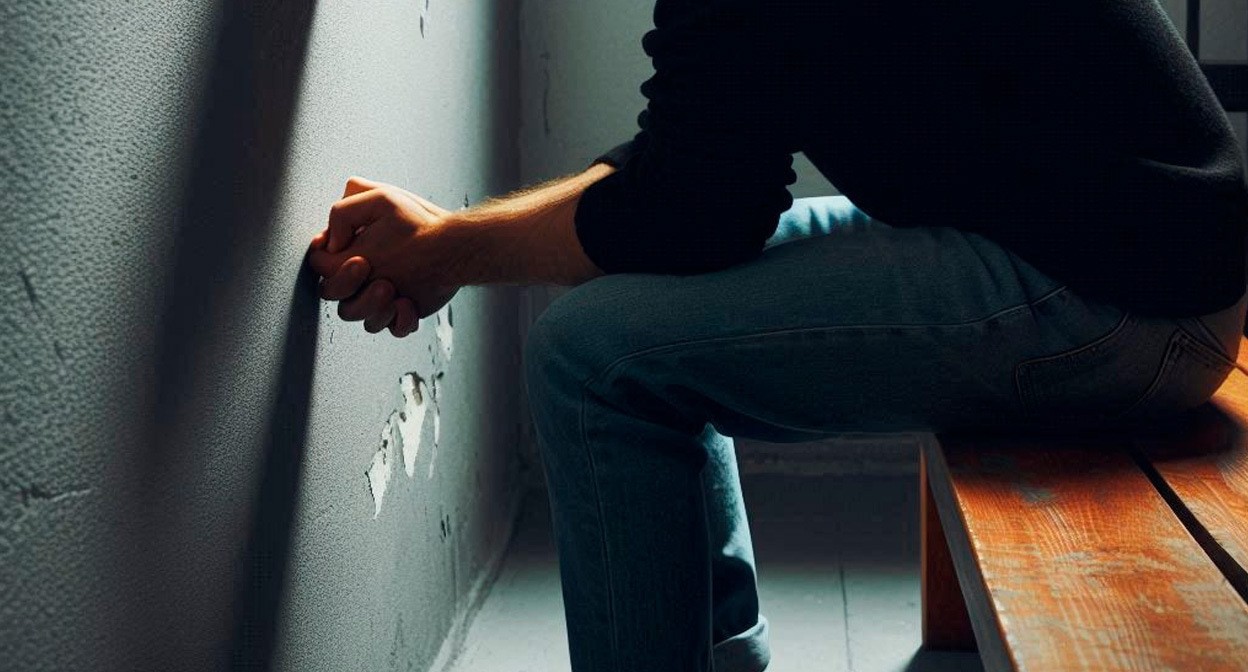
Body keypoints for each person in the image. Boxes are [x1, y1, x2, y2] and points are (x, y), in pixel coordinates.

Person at [307, 1, 1248, 669]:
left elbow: (694, 207)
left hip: (1128, 298)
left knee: (590, 358)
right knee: (618, 311)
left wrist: (446, 250)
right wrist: (446, 241)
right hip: (1106, 244)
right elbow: (706, 145)